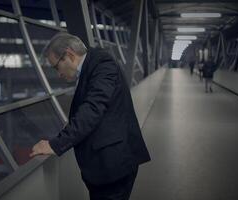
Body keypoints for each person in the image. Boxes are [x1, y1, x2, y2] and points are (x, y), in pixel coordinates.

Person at [30, 33, 151, 200]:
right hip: (107, 166)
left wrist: (55, 144)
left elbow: (93, 108)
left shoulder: (103, 64)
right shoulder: (92, 66)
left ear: (70, 55)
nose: (58, 74)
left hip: (113, 167)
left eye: (56, 67)